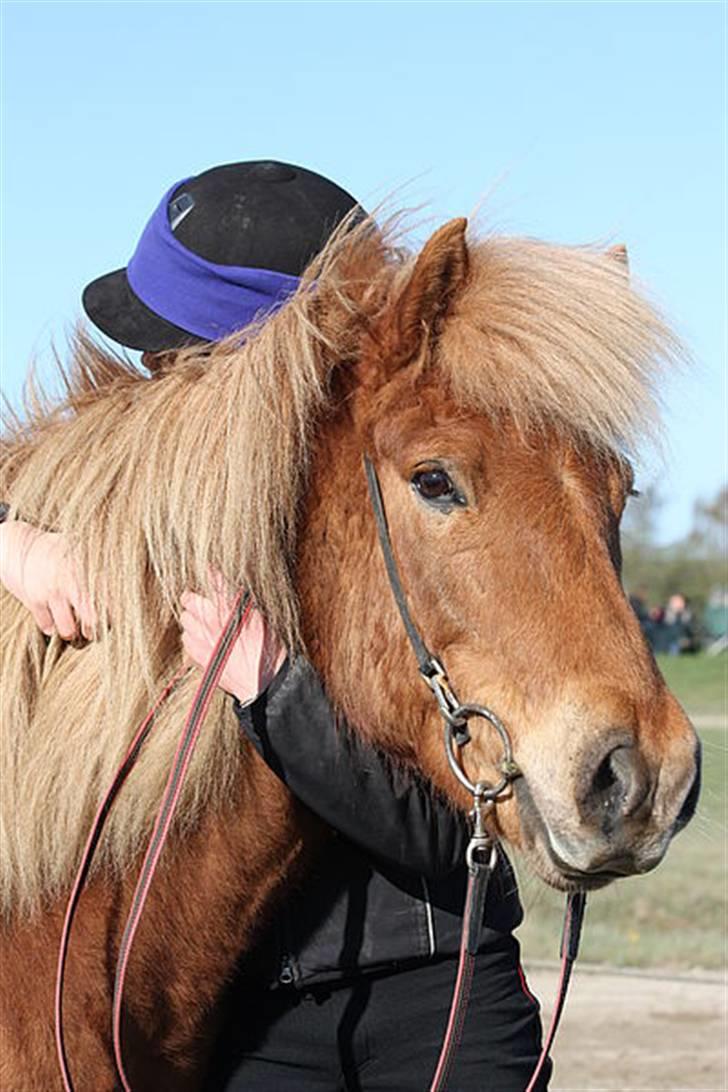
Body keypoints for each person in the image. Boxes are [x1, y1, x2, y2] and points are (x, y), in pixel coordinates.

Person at [0, 160, 548, 1090]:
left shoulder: (383, 520)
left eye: (178, 357)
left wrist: (276, 693)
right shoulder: (168, 485)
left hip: (422, 982)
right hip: (250, 1005)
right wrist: (16, 543)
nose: (151, 375)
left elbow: (450, 828)